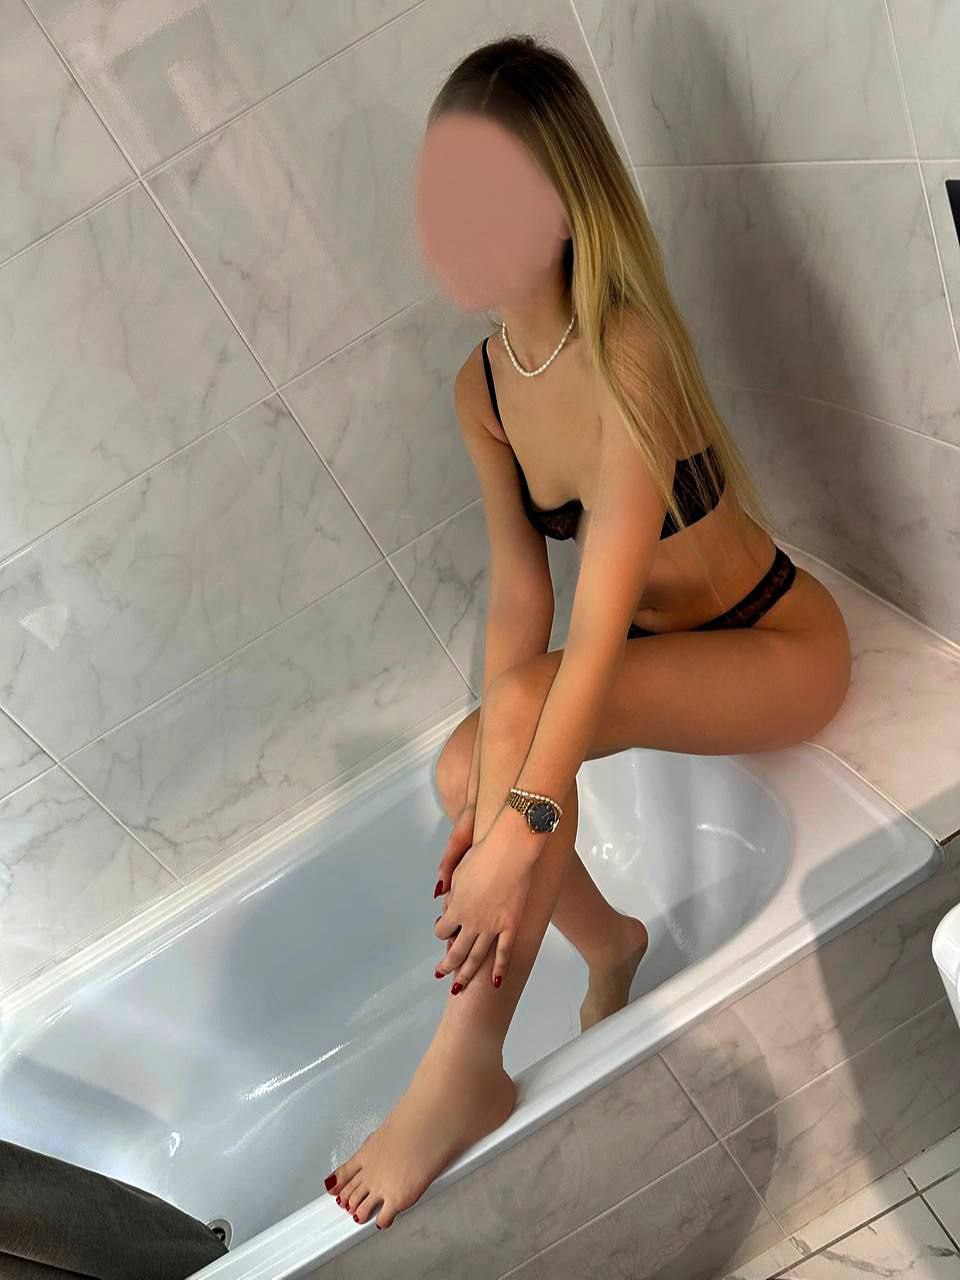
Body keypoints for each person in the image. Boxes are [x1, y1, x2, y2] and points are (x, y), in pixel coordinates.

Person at [324, 34, 851, 1232]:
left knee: (511, 750)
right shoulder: (482, 387)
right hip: (669, 665)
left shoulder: (629, 349)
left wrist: (522, 826)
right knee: (462, 765)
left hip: (778, 647)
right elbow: (525, 599)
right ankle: (611, 945)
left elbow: (599, 614)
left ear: (561, 209)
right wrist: (492, 798)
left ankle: (467, 1063)